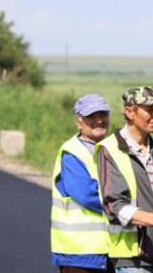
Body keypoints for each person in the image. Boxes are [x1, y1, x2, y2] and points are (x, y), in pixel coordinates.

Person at [96, 86, 153, 272]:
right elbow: (113, 205)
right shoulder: (110, 149)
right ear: (129, 112)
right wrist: (152, 219)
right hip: (132, 259)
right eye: (150, 110)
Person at [51, 94, 112, 273]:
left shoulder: (112, 150)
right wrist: (126, 209)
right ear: (79, 122)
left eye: (103, 115)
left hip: (109, 250)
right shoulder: (72, 153)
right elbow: (87, 194)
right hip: (78, 253)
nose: (99, 120)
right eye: (91, 117)